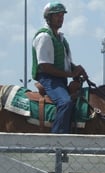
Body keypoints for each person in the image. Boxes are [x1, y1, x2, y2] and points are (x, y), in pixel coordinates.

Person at [32, 2, 88, 133]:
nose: (61, 18)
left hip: (60, 79)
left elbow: (66, 63)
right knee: (65, 103)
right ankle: (57, 140)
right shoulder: (44, 37)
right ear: (48, 17)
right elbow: (45, 66)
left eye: (62, 15)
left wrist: (77, 69)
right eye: (57, 15)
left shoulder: (61, 38)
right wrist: (71, 75)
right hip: (48, 79)